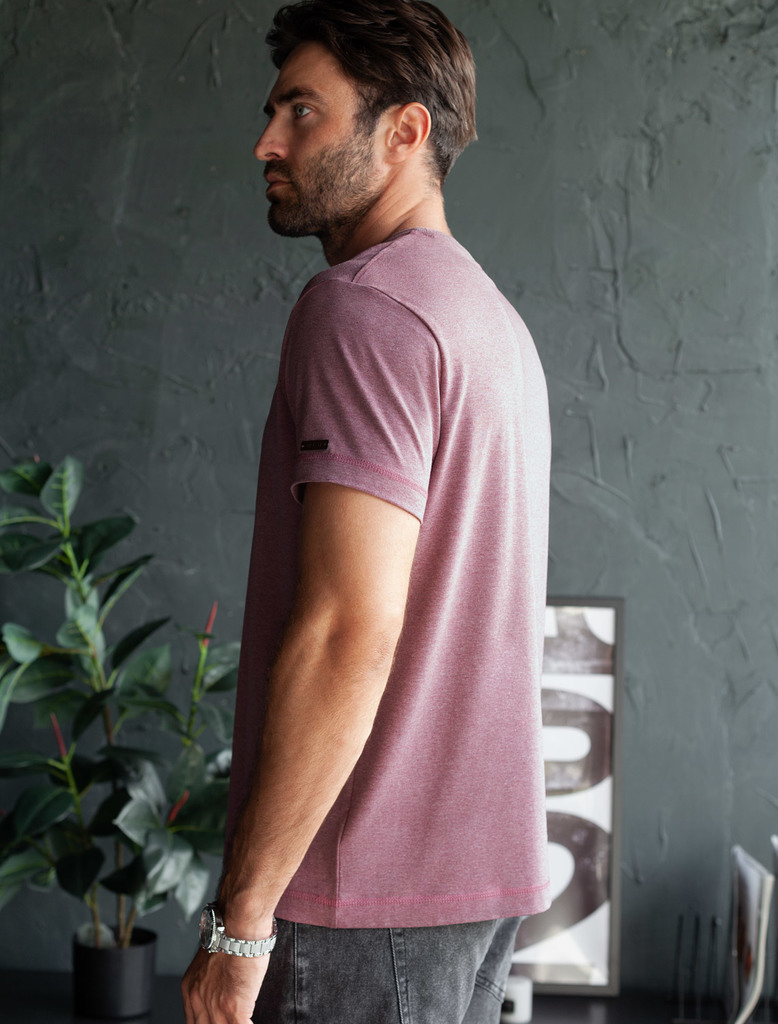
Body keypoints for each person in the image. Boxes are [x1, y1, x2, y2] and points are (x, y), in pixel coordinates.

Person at [181, 2, 551, 1021]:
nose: (267, 142)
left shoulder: (363, 309)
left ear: (405, 131)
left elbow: (350, 625)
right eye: (272, 112)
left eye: (302, 111)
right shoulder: (488, 321)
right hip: (473, 889)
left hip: (359, 899)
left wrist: (240, 924)